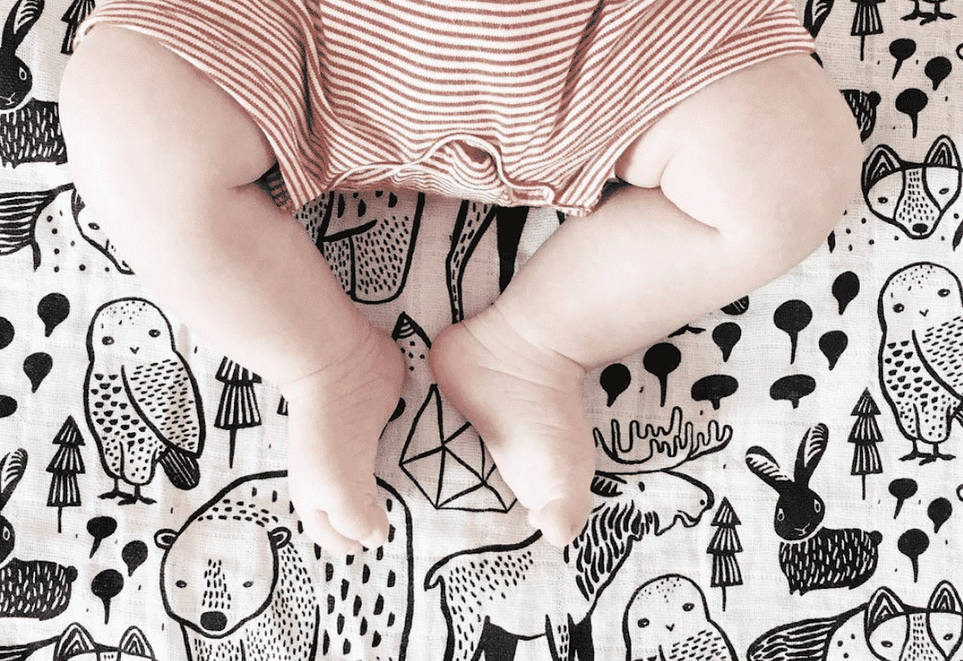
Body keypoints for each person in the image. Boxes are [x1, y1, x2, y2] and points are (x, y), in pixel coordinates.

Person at [58, 0, 861, 554]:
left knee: (790, 165)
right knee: (125, 107)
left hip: (614, 44)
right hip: (298, 32)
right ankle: (324, 362)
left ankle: (532, 345)